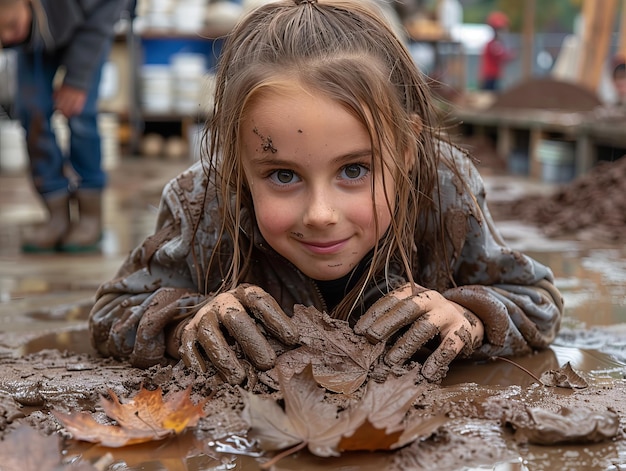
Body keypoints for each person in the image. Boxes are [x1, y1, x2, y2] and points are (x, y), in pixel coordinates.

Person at [89, 0, 563, 386]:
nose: (320, 214)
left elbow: (536, 302)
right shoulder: (201, 203)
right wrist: (185, 326)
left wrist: (469, 317)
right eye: (282, 176)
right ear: (236, 162)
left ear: (408, 148)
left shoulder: (444, 190)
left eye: (354, 169)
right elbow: (112, 311)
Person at [0, 0, 126, 253]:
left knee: (81, 116)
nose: (6, 37)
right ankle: (55, 213)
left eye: (11, 25)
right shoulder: (15, 26)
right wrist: (14, 28)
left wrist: (78, 79)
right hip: (40, 28)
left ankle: (91, 215)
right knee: (30, 109)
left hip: (90, 26)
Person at [479, 11, 515, 91]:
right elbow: (501, 56)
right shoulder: (493, 44)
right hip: (490, 77)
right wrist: (511, 55)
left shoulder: (497, 44)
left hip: (495, 76)